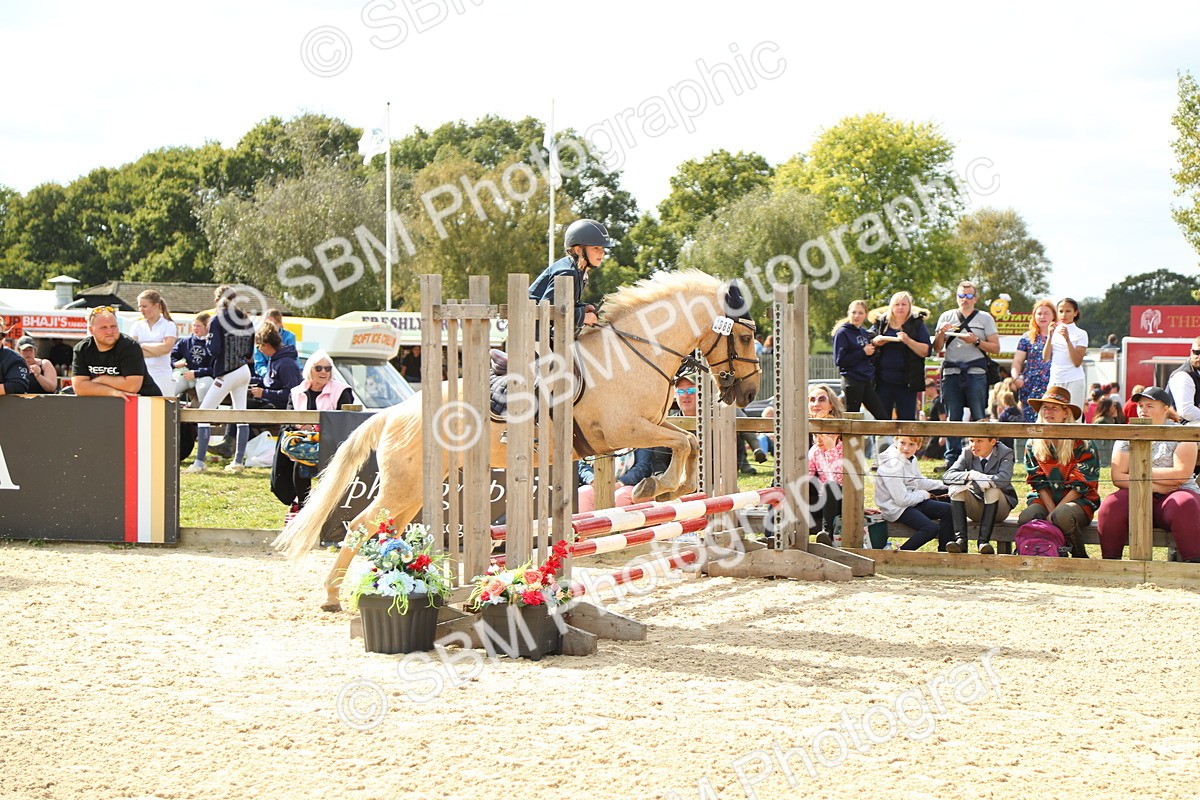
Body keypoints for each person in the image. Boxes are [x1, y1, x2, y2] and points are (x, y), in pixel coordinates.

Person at [1096, 386, 1200, 562]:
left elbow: (1180, 474)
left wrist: (1137, 473)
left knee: (1185, 503)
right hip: (1140, 490)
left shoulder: (1182, 433)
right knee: (1111, 505)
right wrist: (1154, 484)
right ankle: (1110, 562)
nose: (1143, 410)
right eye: (1140, 405)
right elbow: (1117, 476)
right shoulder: (1127, 434)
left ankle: (1194, 562)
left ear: (1165, 408)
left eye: (1150, 406)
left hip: (1176, 493)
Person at [1019, 385, 1100, 558]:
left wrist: (1056, 511)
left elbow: (1081, 485)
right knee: (1027, 516)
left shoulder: (1083, 443)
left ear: (1065, 413)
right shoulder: (1033, 443)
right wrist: (1050, 510)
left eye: (1054, 408)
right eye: (1045, 408)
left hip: (1079, 501)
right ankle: (1035, 554)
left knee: (1062, 515)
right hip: (1044, 498)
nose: (1048, 412)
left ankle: (1079, 557)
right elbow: (1037, 480)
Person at [933, 280, 1001, 470]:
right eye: (961, 295)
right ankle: (952, 459)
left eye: (969, 295)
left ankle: (984, 458)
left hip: (976, 372)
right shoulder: (946, 316)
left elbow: (996, 348)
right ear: (956, 297)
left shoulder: (985, 318)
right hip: (952, 372)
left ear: (975, 298)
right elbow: (937, 348)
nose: (965, 299)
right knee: (952, 417)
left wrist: (977, 341)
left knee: (979, 416)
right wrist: (941, 334)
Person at [189, 286, 255, 474]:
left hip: (227, 372)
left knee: (203, 414)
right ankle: (237, 461)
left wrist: (209, 343)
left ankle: (199, 462)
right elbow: (250, 353)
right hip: (243, 370)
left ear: (216, 299)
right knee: (241, 415)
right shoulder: (245, 319)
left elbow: (215, 350)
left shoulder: (217, 319)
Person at [284, 350, 357, 514]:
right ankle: (303, 506)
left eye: (327, 368)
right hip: (303, 443)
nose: (324, 372)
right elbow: (288, 418)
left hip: (332, 442)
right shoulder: (296, 392)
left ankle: (326, 508)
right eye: (319, 368)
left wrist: (320, 428)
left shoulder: (342, 391)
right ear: (310, 369)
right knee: (299, 462)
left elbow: (346, 420)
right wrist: (300, 426)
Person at [528, 218, 612, 330]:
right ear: (578, 250)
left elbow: (563, 305)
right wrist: (582, 317)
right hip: (532, 332)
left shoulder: (579, 271)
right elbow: (549, 310)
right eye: (595, 248)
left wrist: (583, 307)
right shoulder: (568, 272)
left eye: (602, 248)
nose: (602, 252)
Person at [875, 434, 954, 551]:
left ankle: (945, 553)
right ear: (895, 441)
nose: (906, 448)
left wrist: (947, 485)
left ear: (919, 446)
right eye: (902, 443)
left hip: (912, 502)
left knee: (948, 509)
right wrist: (924, 495)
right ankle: (900, 554)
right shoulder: (892, 465)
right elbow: (901, 500)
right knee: (930, 528)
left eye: (911, 444)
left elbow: (920, 482)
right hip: (896, 509)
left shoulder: (911, 459)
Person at [942, 436, 1018, 554]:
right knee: (956, 489)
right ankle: (961, 541)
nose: (974, 445)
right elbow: (947, 476)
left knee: (992, 490)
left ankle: (983, 542)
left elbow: (1004, 478)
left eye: (979, 441)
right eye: (972, 440)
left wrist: (985, 479)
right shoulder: (967, 452)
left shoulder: (1005, 452)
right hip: (977, 506)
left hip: (999, 509)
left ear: (993, 442)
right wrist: (971, 475)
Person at [71, 307, 163, 397]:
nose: (110, 331)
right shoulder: (82, 349)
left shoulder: (129, 347)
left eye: (113, 326)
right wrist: (112, 392)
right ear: (91, 330)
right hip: (106, 402)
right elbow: (79, 388)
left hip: (144, 401)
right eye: (104, 328)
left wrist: (101, 380)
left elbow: (132, 386)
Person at [869, 291, 931, 421]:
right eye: (897, 304)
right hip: (882, 382)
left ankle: (907, 441)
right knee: (881, 421)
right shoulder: (881, 323)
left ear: (910, 307)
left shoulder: (917, 324)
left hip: (907, 383)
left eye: (904, 304)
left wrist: (908, 341)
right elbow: (868, 340)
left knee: (907, 422)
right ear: (891, 306)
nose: (900, 307)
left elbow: (926, 351)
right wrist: (876, 341)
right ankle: (883, 442)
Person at [832, 299, 885, 419]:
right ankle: (846, 439)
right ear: (848, 313)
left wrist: (874, 349)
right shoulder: (842, 333)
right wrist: (863, 352)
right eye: (854, 312)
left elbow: (868, 355)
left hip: (866, 379)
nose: (856, 316)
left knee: (882, 417)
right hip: (852, 380)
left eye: (860, 313)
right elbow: (840, 360)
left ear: (865, 315)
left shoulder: (863, 332)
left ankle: (885, 437)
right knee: (852, 419)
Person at [577, 448, 670, 512]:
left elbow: (643, 466)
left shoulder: (638, 438)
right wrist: (593, 480)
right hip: (599, 482)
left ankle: (621, 536)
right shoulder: (594, 436)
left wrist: (620, 483)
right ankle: (585, 537)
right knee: (583, 493)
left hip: (629, 484)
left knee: (621, 495)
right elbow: (583, 465)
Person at [1011, 299, 1055, 423]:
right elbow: (1017, 362)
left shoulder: (1060, 336)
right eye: (1039, 313)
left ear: (1053, 316)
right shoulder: (1027, 337)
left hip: (1053, 384)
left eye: (1046, 313)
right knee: (1031, 425)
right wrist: (1016, 378)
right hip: (1031, 387)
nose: (1043, 316)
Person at [128, 289, 178, 396]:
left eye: (144, 306)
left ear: (156, 306)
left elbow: (166, 348)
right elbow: (132, 351)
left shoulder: (169, 325)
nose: (141, 310)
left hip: (162, 376)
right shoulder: (137, 325)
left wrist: (143, 345)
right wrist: (157, 350)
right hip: (140, 375)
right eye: (139, 306)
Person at [1042, 297, 1088, 408]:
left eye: (1068, 311)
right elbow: (1046, 358)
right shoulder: (1053, 331)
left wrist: (1067, 339)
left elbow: (1077, 362)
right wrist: (1050, 336)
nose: (1064, 315)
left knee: (1073, 415)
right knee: (1052, 411)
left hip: (1074, 379)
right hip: (1056, 378)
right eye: (1061, 311)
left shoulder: (1081, 334)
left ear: (1075, 313)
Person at [807, 418, 843, 546]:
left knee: (831, 486)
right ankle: (774, 533)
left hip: (841, 497)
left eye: (826, 435)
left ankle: (827, 533)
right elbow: (808, 474)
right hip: (822, 498)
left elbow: (839, 478)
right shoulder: (814, 451)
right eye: (817, 435)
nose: (820, 439)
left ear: (836, 435)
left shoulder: (844, 450)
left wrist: (831, 450)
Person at [250, 323, 303, 409]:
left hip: (279, 408)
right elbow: (271, 381)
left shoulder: (286, 364)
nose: (259, 349)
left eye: (258, 346)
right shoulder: (274, 360)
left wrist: (264, 393)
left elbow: (290, 392)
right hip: (270, 402)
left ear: (266, 345)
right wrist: (249, 379)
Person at [173, 313, 215, 403]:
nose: (195, 328)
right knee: (170, 389)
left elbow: (216, 367)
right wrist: (174, 363)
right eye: (194, 325)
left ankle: (205, 416)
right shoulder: (185, 341)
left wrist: (197, 373)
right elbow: (172, 356)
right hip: (187, 375)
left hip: (206, 376)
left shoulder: (214, 343)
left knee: (203, 389)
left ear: (207, 327)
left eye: (198, 326)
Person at [254, 309, 299, 378]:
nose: (268, 326)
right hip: (267, 376)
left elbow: (292, 358)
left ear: (279, 323)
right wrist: (269, 374)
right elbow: (259, 363)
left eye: (272, 323)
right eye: (266, 323)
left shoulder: (289, 336)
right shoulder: (260, 337)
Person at [1166, 335, 1200, 423]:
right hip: (1178, 428)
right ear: (1191, 352)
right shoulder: (1183, 375)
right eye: (1196, 352)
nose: (1199, 356)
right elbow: (1186, 411)